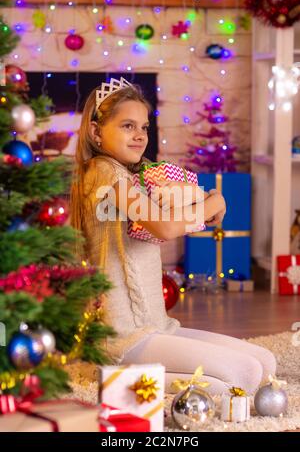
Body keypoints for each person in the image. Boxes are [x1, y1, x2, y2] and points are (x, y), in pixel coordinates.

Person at [70, 77, 276, 394]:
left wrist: (211, 199)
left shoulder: (141, 174)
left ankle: (120, 377)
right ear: (97, 133)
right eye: (127, 126)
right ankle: (108, 377)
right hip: (122, 336)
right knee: (244, 375)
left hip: (157, 326)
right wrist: (213, 202)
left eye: (144, 127)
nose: (139, 135)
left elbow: (189, 206)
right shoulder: (102, 171)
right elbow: (165, 227)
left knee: (265, 362)